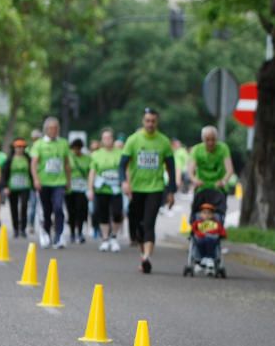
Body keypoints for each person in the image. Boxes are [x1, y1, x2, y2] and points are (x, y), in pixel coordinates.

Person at [120, 107, 176, 273]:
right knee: (137, 225)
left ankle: (146, 258)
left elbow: (171, 169)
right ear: (143, 121)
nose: (150, 124)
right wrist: (124, 182)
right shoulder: (133, 140)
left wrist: (171, 191)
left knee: (149, 223)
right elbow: (122, 164)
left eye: (153, 121)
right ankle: (143, 254)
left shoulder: (163, 141)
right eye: (147, 121)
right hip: (137, 188)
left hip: (155, 188)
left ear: (157, 122)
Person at [29, 117, 72, 249]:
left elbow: (66, 163)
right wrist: (36, 179)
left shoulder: (63, 143)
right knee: (46, 210)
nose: (54, 131)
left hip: (59, 182)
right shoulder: (39, 144)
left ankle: (59, 236)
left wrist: (69, 180)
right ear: (46, 129)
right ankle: (46, 232)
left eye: (56, 128)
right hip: (44, 182)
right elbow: (34, 164)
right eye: (51, 128)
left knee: (58, 208)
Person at [88, 128, 124, 252]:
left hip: (116, 189)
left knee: (117, 213)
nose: (107, 140)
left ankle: (113, 236)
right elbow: (92, 172)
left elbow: (125, 170)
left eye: (109, 138)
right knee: (102, 214)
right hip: (101, 189)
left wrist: (127, 184)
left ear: (112, 139)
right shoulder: (96, 154)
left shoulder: (120, 153)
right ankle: (104, 239)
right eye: (105, 138)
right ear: (102, 140)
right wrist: (90, 189)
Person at [188, 126, 234, 195]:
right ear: (203, 139)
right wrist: (195, 180)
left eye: (213, 139)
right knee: (196, 204)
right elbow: (190, 171)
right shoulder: (196, 149)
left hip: (219, 188)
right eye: (207, 140)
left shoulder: (223, 148)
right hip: (201, 187)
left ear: (216, 139)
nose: (210, 143)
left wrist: (223, 181)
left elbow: (230, 170)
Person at [1, 138, 32, 238]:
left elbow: (32, 171)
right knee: (13, 208)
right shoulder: (9, 159)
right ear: (14, 148)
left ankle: (23, 228)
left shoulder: (28, 159)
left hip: (25, 186)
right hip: (12, 187)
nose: (20, 149)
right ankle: (15, 229)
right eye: (18, 147)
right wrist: (5, 186)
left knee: (24, 206)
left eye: (22, 147)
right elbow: (4, 173)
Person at [64, 139, 91, 244]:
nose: (77, 150)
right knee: (71, 211)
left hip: (82, 188)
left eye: (79, 148)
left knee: (81, 210)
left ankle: (80, 232)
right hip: (70, 188)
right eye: (75, 148)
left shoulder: (87, 158)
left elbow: (90, 172)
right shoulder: (69, 157)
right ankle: (72, 233)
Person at [26, 128, 42, 235]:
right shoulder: (28, 150)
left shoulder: (44, 148)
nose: (36, 140)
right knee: (33, 205)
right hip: (32, 182)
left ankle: (46, 224)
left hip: (44, 180)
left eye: (38, 138)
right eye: (34, 138)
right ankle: (31, 224)